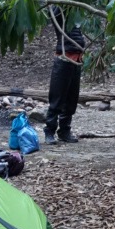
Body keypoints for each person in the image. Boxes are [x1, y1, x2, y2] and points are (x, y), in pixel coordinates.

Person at [44, 8, 87, 144]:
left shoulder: (75, 18)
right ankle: (49, 132)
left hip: (76, 62)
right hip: (63, 62)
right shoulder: (60, 14)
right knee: (57, 99)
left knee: (71, 100)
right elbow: (53, 9)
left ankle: (64, 131)